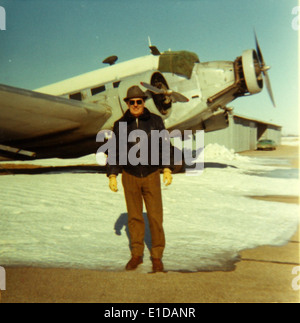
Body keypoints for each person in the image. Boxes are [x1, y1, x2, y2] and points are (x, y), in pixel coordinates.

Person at [107, 85, 173, 272]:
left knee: (155, 216)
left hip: (151, 174)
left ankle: (157, 256)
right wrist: (112, 173)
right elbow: (114, 151)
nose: (135, 105)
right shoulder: (120, 125)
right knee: (135, 217)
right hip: (130, 175)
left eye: (139, 101)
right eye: (132, 102)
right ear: (127, 104)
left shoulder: (155, 121)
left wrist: (167, 168)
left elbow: (165, 145)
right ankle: (136, 254)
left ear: (144, 102)